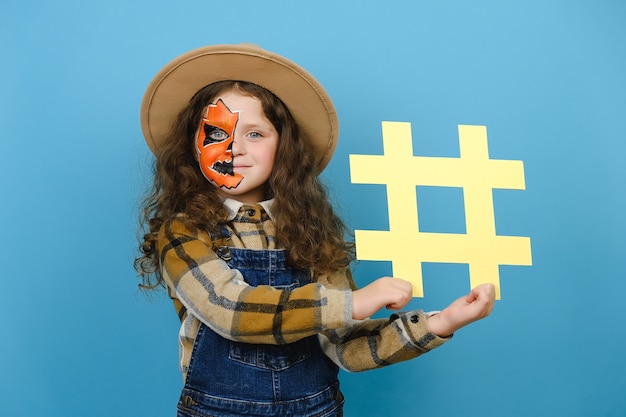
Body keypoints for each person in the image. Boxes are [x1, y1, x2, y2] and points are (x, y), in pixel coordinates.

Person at [135, 44, 495, 417]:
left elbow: (347, 345)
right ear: (193, 148)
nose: (234, 149)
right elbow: (229, 308)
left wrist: (441, 323)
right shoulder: (184, 232)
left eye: (255, 134)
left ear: (284, 148)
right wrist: (350, 303)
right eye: (216, 134)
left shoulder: (310, 234)